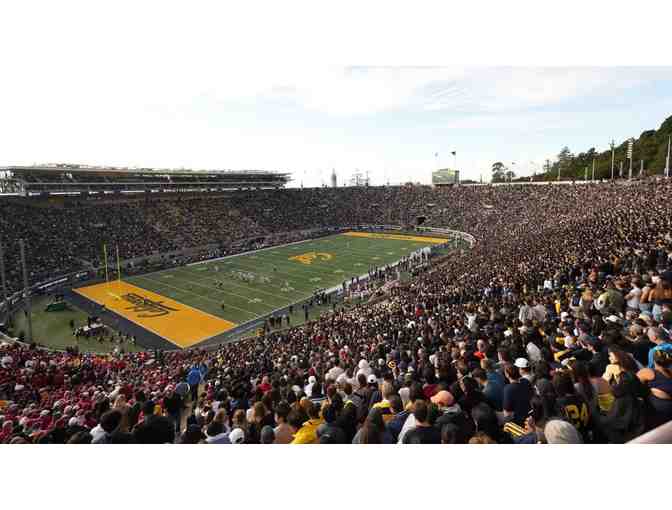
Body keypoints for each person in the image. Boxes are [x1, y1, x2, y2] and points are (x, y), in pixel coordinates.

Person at [637, 350, 672, 429]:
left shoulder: (648, 372)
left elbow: (633, 383)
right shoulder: (669, 372)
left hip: (660, 414)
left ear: (653, 361)